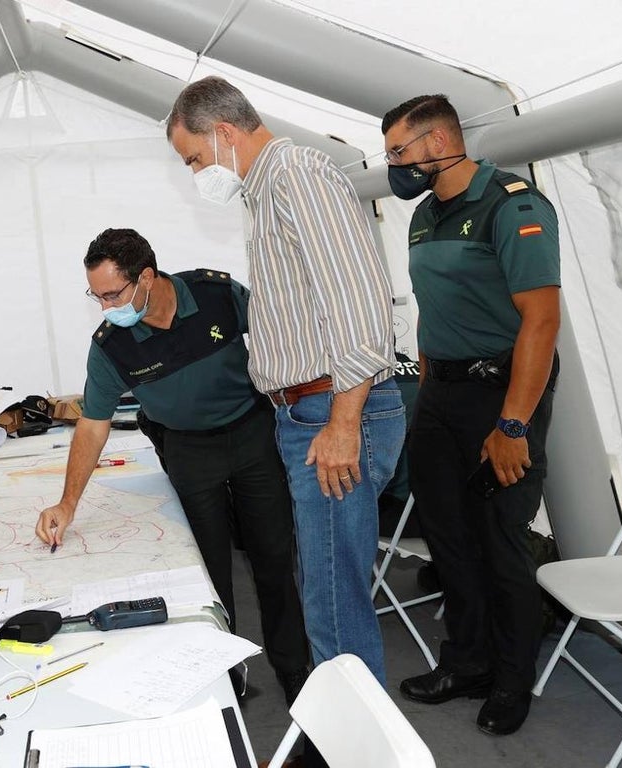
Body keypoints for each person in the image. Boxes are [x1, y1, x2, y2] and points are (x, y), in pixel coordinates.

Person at [167, 77, 405, 686]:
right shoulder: (266, 190)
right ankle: (337, 738)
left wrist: (343, 424)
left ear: (223, 133)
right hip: (310, 411)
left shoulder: (297, 174)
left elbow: (362, 307)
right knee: (325, 589)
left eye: (193, 158)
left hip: (333, 409)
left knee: (333, 602)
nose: (196, 172)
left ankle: (352, 749)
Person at [34, 228, 311, 705]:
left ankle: (294, 670)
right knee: (207, 572)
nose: (104, 308)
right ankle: (225, 674)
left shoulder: (217, 295)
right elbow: (93, 424)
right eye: (95, 296)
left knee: (273, 560)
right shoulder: (111, 344)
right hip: (186, 448)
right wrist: (67, 502)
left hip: (250, 435)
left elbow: (284, 339)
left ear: (146, 277)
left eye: (111, 294)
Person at [381, 94, 560, 736]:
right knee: (449, 538)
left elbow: (541, 320)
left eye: (399, 151)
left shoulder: (511, 203)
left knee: (501, 542)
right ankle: (466, 662)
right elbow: (434, 310)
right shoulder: (424, 217)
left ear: (436, 143)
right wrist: (429, 391)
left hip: (503, 393)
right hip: (443, 395)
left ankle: (513, 681)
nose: (394, 164)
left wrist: (512, 426)